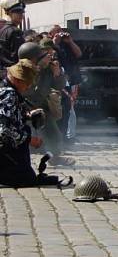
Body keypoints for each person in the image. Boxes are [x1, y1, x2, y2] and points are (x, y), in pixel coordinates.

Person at [0, 59, 71, 188]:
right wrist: (29, 139)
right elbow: (3, 130)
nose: (28, 87)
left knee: (28, 177)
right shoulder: (8, 94)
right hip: (5, 151)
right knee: (25, 179)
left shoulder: (9, 91)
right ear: (18, 80)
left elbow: (9, 116)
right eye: (27, 83)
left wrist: (28, 115)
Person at [49, 25, 82, 144]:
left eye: (61, 31)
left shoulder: (68, 44)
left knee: (71, 108)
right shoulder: (51, 45)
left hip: (72, 79)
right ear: (51, 33)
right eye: (56, 31)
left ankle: (70, 135)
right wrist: (55, 42)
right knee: (60, 108)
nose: (60, 33)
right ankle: (63, 135)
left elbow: (79, 54)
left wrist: (70, 41)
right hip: (59, 81)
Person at [0, 0, 27, 80]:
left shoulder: (2, 30)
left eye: (22, 13)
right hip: (14, 73)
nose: (21, 15)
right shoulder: (15, 31)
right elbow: (19, 55)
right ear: (10, 13)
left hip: (4, 72)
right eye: (18, 13)